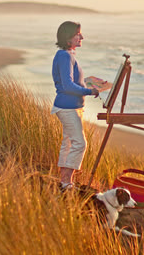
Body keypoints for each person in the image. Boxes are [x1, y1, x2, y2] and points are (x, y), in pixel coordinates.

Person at [51, 20, 99, 190]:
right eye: (78, 34)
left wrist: (89, 84)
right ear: (68, 38)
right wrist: (90, 92)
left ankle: (65, 181)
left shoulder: (67, 55)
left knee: (69, 142)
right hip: (67, 107)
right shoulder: (64, 56)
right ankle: (67, 182)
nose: (82, 37)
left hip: (71, 107)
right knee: (80, 143)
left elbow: (72, 82)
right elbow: (67, 86)